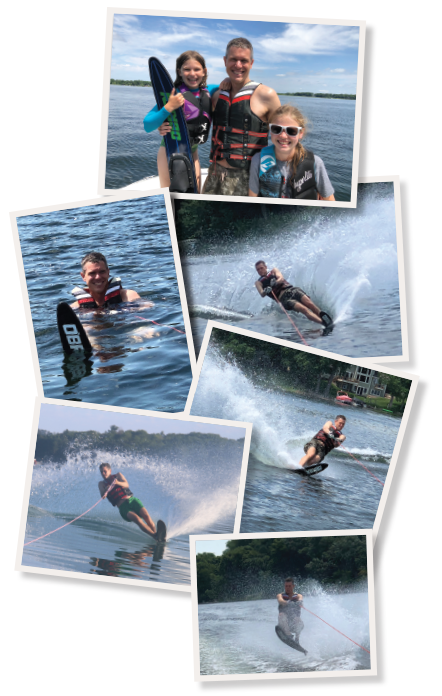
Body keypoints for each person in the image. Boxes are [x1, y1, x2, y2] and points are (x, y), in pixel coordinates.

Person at [202, 37, 281, 197]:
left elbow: (285, 135)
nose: (238, 65)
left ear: (251, 63)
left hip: (247, 179)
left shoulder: (267, 95)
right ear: (225, 61)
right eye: (233, 60)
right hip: (214, 174)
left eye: (243, 61)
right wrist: (165, 125)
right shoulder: (216, 95)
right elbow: (193, 118)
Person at [145, 50, 223, 192]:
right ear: (179, 72)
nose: (192, 74)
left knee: (195, 196)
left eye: (197, 69)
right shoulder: (173, 95)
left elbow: (228, 85)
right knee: (173, 198)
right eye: (186, 69)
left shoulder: (210, 91)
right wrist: (168, 108)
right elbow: (147, 124)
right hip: (170, 152)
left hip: (193, 152)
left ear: (204, 71)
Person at [249, 104, 335, 200]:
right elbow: (252, 200)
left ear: (300, 133)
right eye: (276, 129)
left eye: (291, 131)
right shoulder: (258, 161)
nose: (283, 136)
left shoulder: (315, 163)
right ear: (270, 130)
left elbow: (330, 202)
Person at [254, 260, 332, 327]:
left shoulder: (274, 271)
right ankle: (324, 324)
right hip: (284, 299)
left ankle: (322, 315)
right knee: (304, 309)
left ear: (265, 267)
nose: (260, 270)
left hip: (292, 290)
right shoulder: (258, 282)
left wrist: (276, 282)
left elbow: (281, 278)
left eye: (261, 268)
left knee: (310, 304)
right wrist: (265, 291)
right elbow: (262, 293)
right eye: (258, 270)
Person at [98, 463, 164, 540]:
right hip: (123, 508)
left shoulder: (118, 475)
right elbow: (103, 496)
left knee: (146, 516)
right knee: (138, 519)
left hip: (132, 500)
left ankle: (157, 537)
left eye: (105, 471)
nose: (103, 473)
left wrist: (117, 482)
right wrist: (106, 489)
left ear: (110, 470)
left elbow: (126, 484)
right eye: (101, 472)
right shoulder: (101, 484)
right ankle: (155, 536)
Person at [70, 252, 141, 309]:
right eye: (92, 273)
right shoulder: (74, 309)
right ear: (83, 276)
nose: (98, 277)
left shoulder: (128, 296)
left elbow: (147, 308)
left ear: (108, 273)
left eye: (102, 272)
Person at [277, 577, 304, 644]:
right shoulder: (280, 595)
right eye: (286, 586)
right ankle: (289, 636)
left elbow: (300, 599)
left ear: (293, 586)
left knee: (298, 619)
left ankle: (297, 639)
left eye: (289, 586)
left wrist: (299, 602)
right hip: (283, 625)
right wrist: (287, 602)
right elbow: (280, 600)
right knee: (281, 615)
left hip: (294, 625)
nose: (287, 588)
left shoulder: (298, 596)